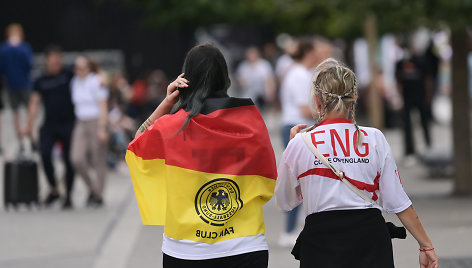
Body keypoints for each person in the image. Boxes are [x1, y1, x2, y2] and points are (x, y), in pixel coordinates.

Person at [275, 58, 438, 268]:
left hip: (321, 241)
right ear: (355, 98)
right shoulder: (374, 138)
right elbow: (398, 201)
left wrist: (293, 150)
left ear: (317, 100)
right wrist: (426, 246)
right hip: (370, 239)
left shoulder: (300, 142)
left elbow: (284, 201)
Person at [126, 43, 277, 268]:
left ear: (186, 79)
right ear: (225, 78)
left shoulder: (170, 126)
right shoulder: (251, 122)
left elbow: (136, 145)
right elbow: (268, 177)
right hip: (245, 245)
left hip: (186, 251)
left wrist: (166, 105)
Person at [278, 38, 318, 247]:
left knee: (302, 179)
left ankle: (297, 226)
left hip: (297, 126)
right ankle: (289, 230)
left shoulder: (298, 73)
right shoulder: (300, 75)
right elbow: (305, 108)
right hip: (297, 127)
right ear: (309, 53)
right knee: (298, 181)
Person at [24, 45, 75, 209]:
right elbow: (34, 102)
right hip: (49, 125)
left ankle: (68, 195)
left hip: (69, 124)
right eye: (53, 60)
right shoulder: (40, 81)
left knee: (69, 160)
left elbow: (89, 74)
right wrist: (29, 125)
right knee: (44, 154)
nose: (57, 63)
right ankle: (54, 189)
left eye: (59, 60)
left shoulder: (68, 74)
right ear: (46, 62)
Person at [70, 56, 108, 207]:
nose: (78, 71)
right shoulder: (74, 82)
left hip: (95, 120)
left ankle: (98, 194)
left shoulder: (96, 80)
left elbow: (103, 105)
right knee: (76, 158)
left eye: (82, 67)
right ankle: (92, 188)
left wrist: (102, 127)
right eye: (76, 67)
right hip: (81, 121)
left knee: (97, 159)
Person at [395, 46, 431, 166]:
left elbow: (427, 79)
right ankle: (409, 151)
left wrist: (428, 96)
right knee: (406, 125)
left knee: (424, 122)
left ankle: (428, 146)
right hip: (407, 98)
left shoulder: (421, 61)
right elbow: (398, 81)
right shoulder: (400, 63)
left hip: (420, 96)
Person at [0, 23, 33, 143]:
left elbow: (29, 65)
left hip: (22, 83)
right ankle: (20, 135)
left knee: (28, 109)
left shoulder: (22, 47)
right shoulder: (6, 48)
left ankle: (30, 132)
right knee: (16, 111)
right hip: (13, 84)